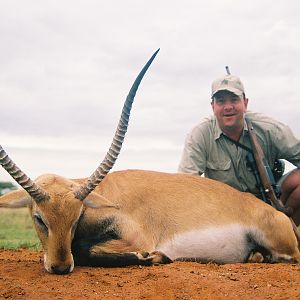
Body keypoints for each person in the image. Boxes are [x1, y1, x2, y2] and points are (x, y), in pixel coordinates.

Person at [178, 73, 300, 226]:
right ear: (213, 106)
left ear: (245, 103)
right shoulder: (200, 134)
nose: (228, 107)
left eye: (234, 100)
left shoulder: (269, 129)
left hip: (270, 202)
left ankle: (285, 234)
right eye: (221, 101)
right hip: (225, 212)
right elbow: (184, 185)